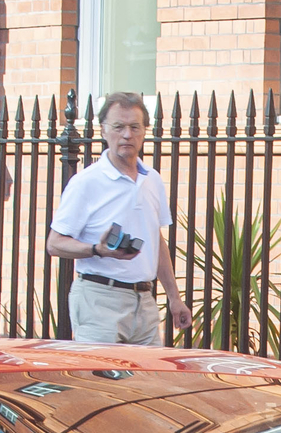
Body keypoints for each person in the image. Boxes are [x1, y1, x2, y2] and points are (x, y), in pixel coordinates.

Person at [45, 92, 185, 345]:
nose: (127, 135)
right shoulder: (86, 182)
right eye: (118, 127)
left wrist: (174, 297)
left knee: (148, 381)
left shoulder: (152, 179)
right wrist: (97, 250)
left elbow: (157, 240)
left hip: (144, 301)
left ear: (145, 131)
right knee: (101, 381)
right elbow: (54, 244)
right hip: (99, 298)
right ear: (104, 130)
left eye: (134, 127)